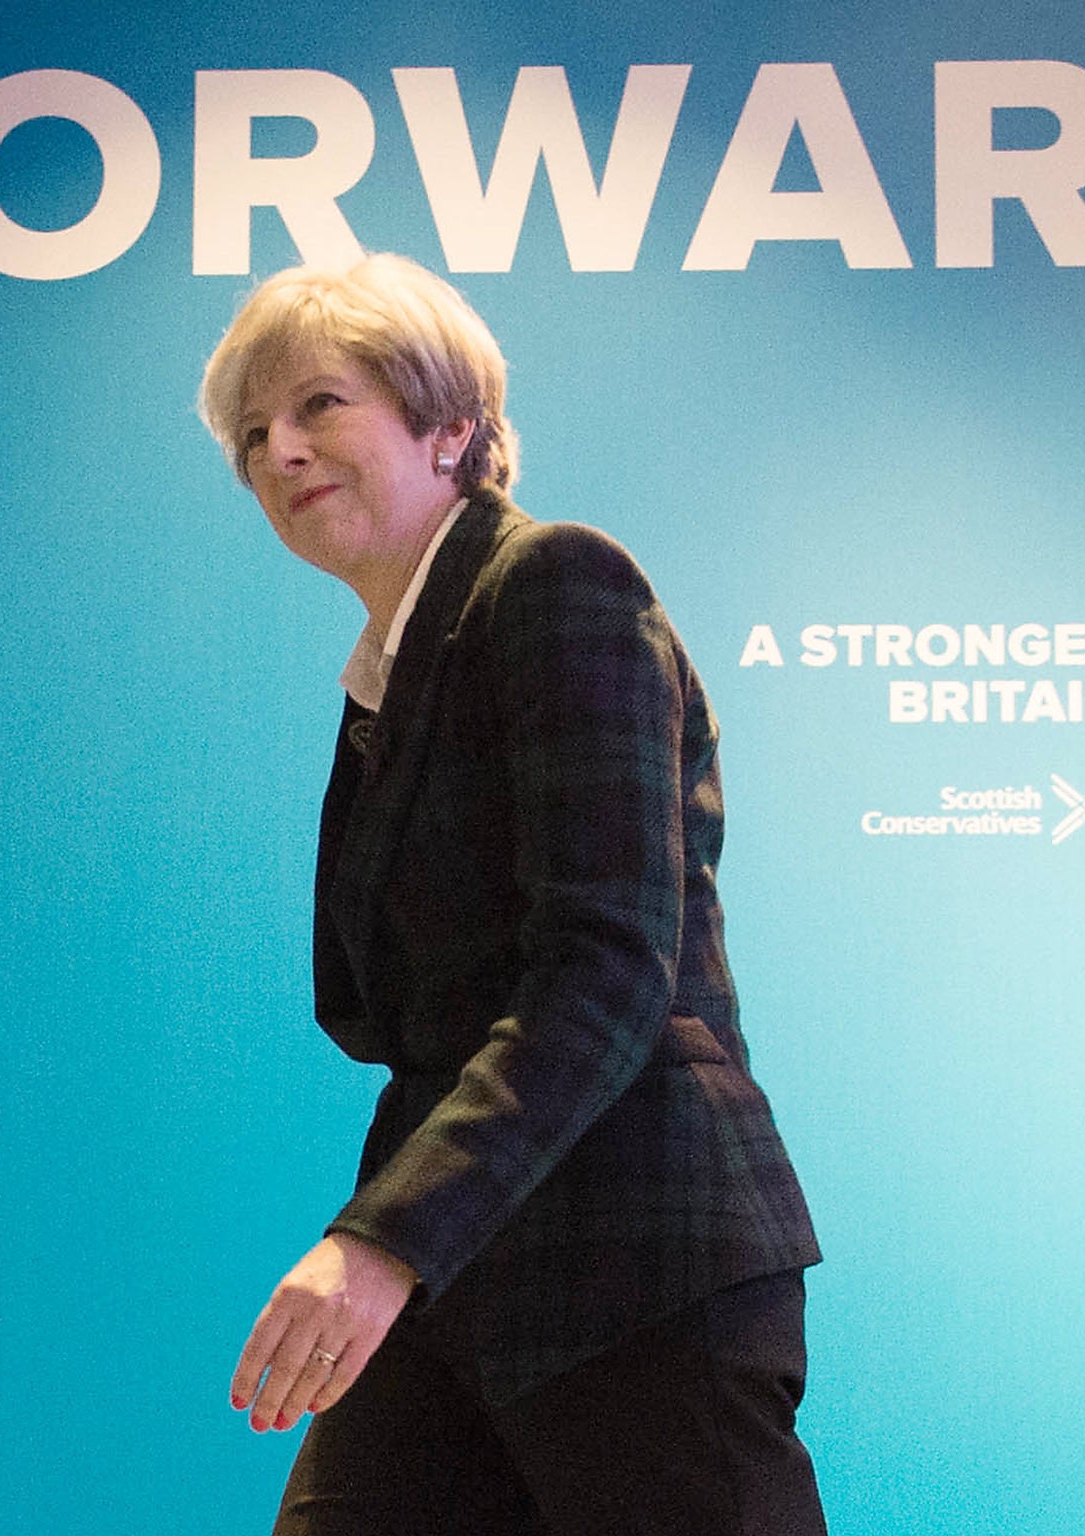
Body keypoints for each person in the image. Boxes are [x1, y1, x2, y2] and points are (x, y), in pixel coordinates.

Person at [198, 253, 825, 1535]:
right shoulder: (385, 674)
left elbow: (606, 966)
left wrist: (382, 1242)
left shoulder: (554, 583)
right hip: (464, 1262)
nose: (281, 451)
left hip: (633, 1257)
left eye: (319, 404)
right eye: (252, 435)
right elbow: (374, 1016)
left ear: (450, 426)